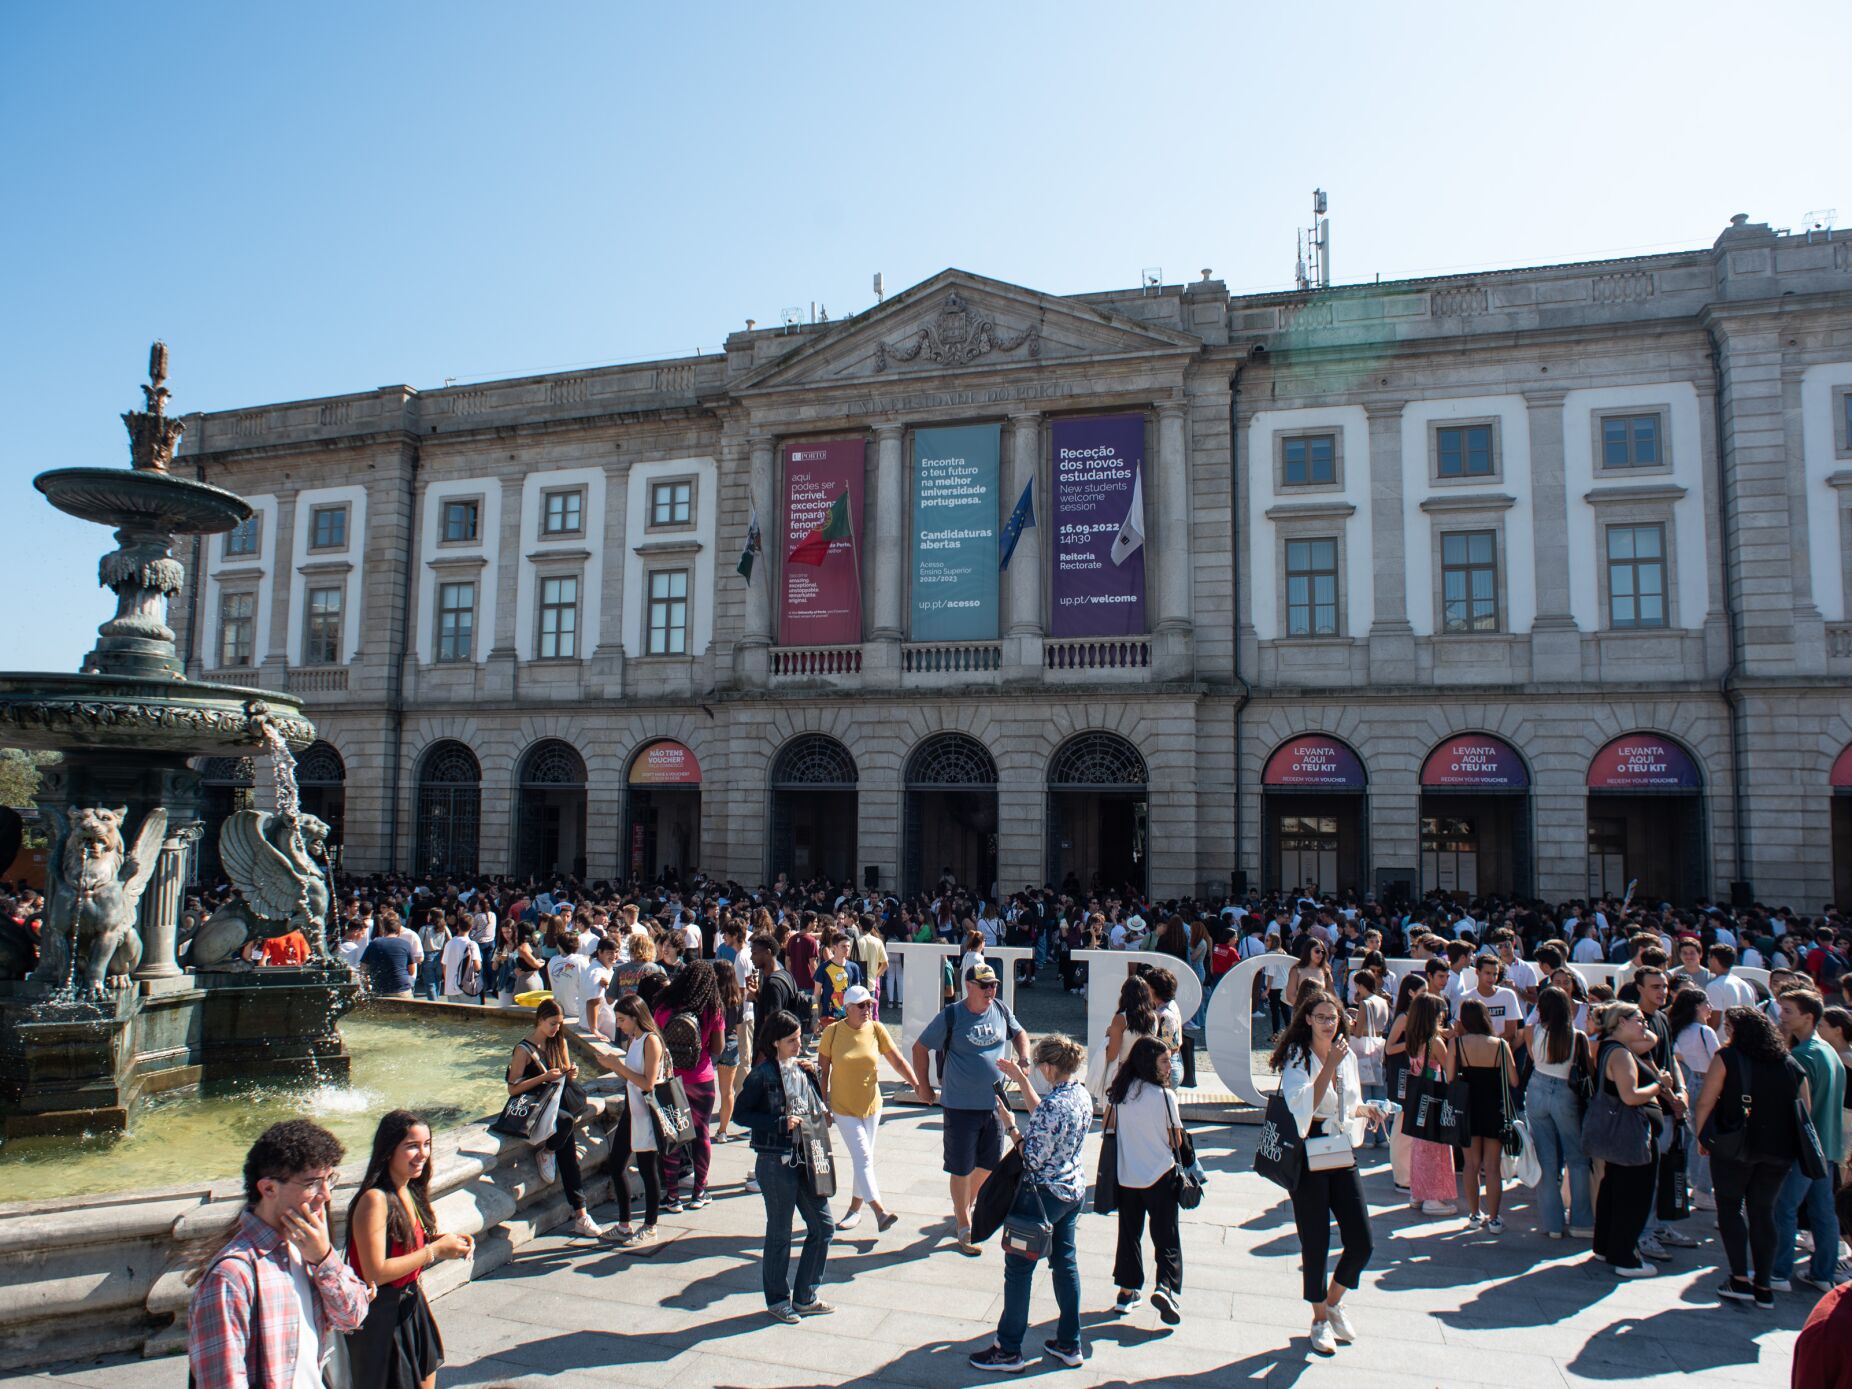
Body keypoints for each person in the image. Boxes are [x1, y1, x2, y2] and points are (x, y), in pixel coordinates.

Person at [186, 1120, 372, 1389]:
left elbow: (353, 1316)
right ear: (269, 1188)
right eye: (313, 1183)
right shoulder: (231, 1277)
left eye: (329, 1179)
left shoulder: (308, 1249)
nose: (326, 1195)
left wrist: (324, 1259)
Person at [968, 1034, 1092, 1374]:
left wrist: (1010, 1126)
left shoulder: (1054, 1106)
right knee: (1065, 1263)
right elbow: (1046, 1118)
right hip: (1072, 1189)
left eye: (1038, 1067)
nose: (1037, 1071)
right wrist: (1022, 1081)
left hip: (1040, 1196)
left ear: (1050, 1067)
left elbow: (1032, 1158)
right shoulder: (1080, 1095)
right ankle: (1070, 1342)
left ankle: (1008, 1349)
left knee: (1019, 1270)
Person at [1271, 987, 1385, 1356]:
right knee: (1315, 1240)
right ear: (1307, 1019)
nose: (1328, 1023)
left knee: (1361, 1240)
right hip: (1308, 1146)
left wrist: (1369, 1110)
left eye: (1333, 1017)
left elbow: (1348, 1103)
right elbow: (1303, 1104)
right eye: (1320, 1017)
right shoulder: (1298, 1056)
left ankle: (1334, 1301)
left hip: (1338, 1145)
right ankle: (1318, 1318)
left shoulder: (1345, 1053)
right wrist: (1331, 1065)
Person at [344, 1110, 472, 1389]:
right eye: (412, 1146)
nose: (423, 1153)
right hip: (383, 1318)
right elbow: (375, 1272)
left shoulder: (409, 1189)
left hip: (412, 1306)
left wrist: (444, 1241)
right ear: (389, 1150)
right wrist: (435, 1250)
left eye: (427, 1144)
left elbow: (404, 1243)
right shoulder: (375, 1200)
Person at [1693, 1004, 1808, 1307]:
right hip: (1779, 1150)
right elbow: (1803, 1110)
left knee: (1730, 1207)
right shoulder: (1790, 1063)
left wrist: (1702, 1136)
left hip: (1735, 1145)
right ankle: (1764, 1285)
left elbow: (1706, 1100)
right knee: (1763, 1212)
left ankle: (1739, 1278)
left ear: (1735, 1031)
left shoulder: (1727, 1058)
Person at [913, 963, 1032, 1255]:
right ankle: (964, 1222)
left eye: (994, 985)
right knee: (961, 1167)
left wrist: (1025, 1058)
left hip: (995, 1102)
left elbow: (1020, 1034)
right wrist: (923, 1086)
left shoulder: (1001, 1009)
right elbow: (919, 1047)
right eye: (985, 985)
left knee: (989, 1165)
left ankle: (964, 1203)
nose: (991, 990)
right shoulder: (952, 1015)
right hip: (959, 1104)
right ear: (969, 986)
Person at [734, 1009, 835, 1323]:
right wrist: (778, 1123)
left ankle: (805, 1296)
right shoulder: (761, 1075)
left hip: (805, 1156)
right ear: (775, 1042)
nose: (798, 1045)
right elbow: (741, 1114)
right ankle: (778, 1298)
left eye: (798, 1039)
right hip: (775, 1160)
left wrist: (816, 1085)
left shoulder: (801, 1069)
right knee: (780, 1231)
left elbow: (815, 1107)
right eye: (791, 1041)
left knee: (823, 1226)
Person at [816, 983, 920, 1232]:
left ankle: (854, 1210)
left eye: (869, 1005)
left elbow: (897, 1060)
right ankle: (879, 1210)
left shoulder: (876, 1029)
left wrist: (918, 1085)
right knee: (863, 1157)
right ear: (848, 1009)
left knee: (864, 1160)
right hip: (843, 1107)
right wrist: (823, 1105)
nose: (867, 1009)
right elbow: (822, 1072)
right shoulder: (832, 1033)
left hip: (872, 1106)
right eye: (861, 1006)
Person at [505, 999, 602, 1238]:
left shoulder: (560, 1042)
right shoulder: (523, 1049)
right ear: (539, 1020)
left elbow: (564, 1079)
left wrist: (571, 1073)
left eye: (559, 1024)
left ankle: (580, 1213)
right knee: (566, 1128)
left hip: (554, 1103)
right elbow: (512, 1089)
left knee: (567, 1139)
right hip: (533, 1105)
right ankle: (580, 1211)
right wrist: (543, 1077)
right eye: (552, 1024)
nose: (556, 1029)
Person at [1105, 1037, 1185, 1324]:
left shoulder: (1121, 1093)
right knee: (1166, 1235)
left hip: (1128, 1174)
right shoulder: (1165, 1097)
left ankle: (1126, 1291)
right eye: (1165, 1061)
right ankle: (1165, 1285)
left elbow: (1108, 1127)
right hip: (1160, 1174)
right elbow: (1175, 1138)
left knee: (1129, 1234)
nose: (1169, 1066)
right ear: (1150, 1062)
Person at [1772, 988, 1846, 1293]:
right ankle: (1823, 1272)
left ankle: (1777, 1271)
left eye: (1788, 1011)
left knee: (1785, 1208)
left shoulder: (1802, 1056)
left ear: (1809, 1016)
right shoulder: (1828, 1052)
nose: (1781, 1016)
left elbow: (1800, 1109)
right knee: (1823, 1211)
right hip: (1827, 1146)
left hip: (1805, 1148)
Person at [1589, 1002, 1666, 1277]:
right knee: (1632, 1195)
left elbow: (1650, 1039)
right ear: (1621, 1022)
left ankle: (1606, 1246)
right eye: (1639, 1019)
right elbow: (1630, 1095)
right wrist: (1660, 1084)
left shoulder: (1612, 1046)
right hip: (1630, 1133)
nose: (1645, 1025)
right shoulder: (1619, 1053)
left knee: (1615, 1188)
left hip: (1620, 1133)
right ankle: (1624, 1257)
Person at [653, 959, 726, 1212]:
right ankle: (700, 1191)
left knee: (672, 1137)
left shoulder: (664, 1005)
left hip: (671, 1078)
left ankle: (672, 1196)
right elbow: (718, 1048)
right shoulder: (711, 1008)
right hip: (701, 1079)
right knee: (701, 1134)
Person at [1524, 985, 1593, 1239]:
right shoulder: (1577, 1036)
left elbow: (1532, 1057)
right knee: (1576, 1159)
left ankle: (1552, 1224)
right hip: (1565, 1092)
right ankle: (1581, 1221)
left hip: (1537, 1087)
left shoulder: (1537, 1031)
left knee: (1546, 1160)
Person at [599, 994, 666, 1248]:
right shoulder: (635, 1039)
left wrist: (616, 1066)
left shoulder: (651, 1041)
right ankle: (624, 1224)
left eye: (621, 1020)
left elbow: (648, 1082)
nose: (619, 1025)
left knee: (648, 1170)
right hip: (632, 1109)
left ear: (636, 1017)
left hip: (647, 1113)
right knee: (616, 1165)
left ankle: (650, 1226)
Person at [1450, 997, 1519, 1233]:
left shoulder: (1457, 1044)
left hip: (1468, 1107)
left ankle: (1473, 1214)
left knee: (1470, 1164)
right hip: (1493, 1107)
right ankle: (1495, 1217)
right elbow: (1514, 1080)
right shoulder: (1500, 1045)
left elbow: (1450, 1078)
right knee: (1492, 1166)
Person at [1401, 992, 1458, 1216]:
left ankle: (1418, 1192)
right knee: (1436, 1149)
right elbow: (1449, 1070)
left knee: (1419, 1147)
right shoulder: (1434, 1042)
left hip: (1418, 1099)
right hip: (1435, 1098)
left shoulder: (1413, 1038)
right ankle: (1433, 1197)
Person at [1667, 984, 1720, 1212]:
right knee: (1706, 1140)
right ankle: (1703, 1191)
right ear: (1698, 1006)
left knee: (1690, 1138)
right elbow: (1718, 1061)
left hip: (1687, 1083)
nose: (1711, 1008)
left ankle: (1693, 1184)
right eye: (1707, 1003)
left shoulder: (1677, 1029)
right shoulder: (1704, 1031)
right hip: (1705, 1083)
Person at [713, 960, 748, 1143]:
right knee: (727, 1092)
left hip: (711, 1043)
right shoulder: (738, 997)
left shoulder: (712, 997)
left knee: (708, 1089)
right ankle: (723, 1130)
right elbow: (739, 1026)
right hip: (731, 1042)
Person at [358, 915, 420, 1000]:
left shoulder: (374, 944)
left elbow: (363, 967)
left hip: (380, 989)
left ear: (384, 930)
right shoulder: (405, 944)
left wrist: (366, 985)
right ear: (399, 932)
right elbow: (412, 971)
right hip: (401, 989)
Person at [439, 918, 480, 1003]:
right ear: (471, 927)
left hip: (450, 987)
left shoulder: (449, 944)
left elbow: (444, 966)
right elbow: (477, 966)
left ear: (458, 926)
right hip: (467, 987)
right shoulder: (472, 945)